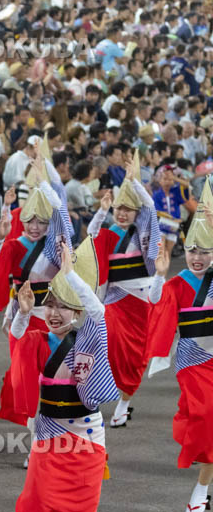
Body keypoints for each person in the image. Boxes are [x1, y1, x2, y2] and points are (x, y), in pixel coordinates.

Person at [11, 240, 119, 512]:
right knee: (34, 504)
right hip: (47, 438)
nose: (54, 313)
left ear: (79, 310)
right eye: (51, 304)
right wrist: (25, 313)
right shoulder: (40, 339)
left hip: (84, 440)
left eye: (64, 306)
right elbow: (17, 343)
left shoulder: (88, 337)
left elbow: (99, 314)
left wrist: (71, 275)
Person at [0, 160, 73, 429]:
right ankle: (34, 433)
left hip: (50, 315)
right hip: (21, 315)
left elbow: (62, 216)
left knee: (47, 373)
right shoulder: (13, 245)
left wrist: (45, 181)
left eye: (41, 221)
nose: (34, 226)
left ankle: (44, 428)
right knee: (24, 374)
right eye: (30, 221)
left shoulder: (55, 247)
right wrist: (0, 237)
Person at [147, 194, 213, 512]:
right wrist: (160, 274)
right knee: (205, 415)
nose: (196, 257)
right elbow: (157, 305)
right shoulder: (177, 283)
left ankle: (201, 489)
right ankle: (201, 487)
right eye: (191, 250)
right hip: (193, 362)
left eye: (204, 251)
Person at [86, 165, 160, 427]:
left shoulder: (142, 232)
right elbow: (90, 236)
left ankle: (124, 404)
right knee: (107, 346)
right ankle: (93, 396)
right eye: (119, 209)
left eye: (128, 209)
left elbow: (151, 208)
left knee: (137, 356)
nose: (122, 213)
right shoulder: (108, 233)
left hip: (143, 303)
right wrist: (102, 209)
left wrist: (133, 182)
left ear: (136, 213)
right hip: (115, 299)